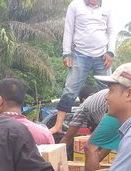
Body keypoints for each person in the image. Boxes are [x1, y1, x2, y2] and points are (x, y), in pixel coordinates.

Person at [49, 0, 116, 135]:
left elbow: (112, 31)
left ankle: (110, 127)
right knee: (70, 90)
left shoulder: (108, 7)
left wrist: (110, 52)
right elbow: (69, 30)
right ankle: (58, 125)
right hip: (80, 54)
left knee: (110, 91)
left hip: (102, 55)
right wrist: (66, 53)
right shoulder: (75, 5)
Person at [60, 89, 120, 171]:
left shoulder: (84, 107)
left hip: (113, 103)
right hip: (127, 100)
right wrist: (94, 161)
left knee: (90, 147)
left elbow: (67, 137)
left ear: (82, 100)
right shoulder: (98, 100)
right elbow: (110, 141)